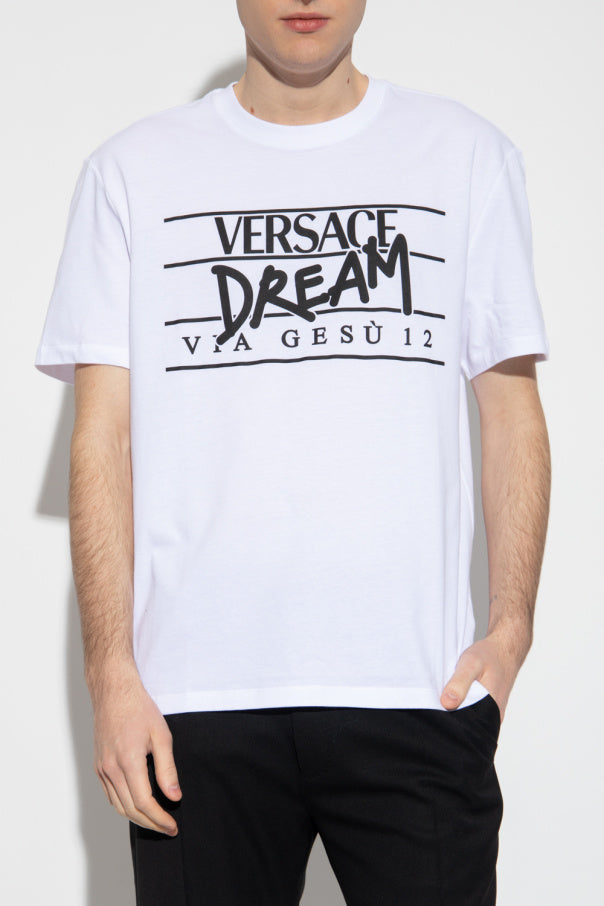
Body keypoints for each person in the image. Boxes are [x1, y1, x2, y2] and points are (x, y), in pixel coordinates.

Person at [34, 1, 551, 903]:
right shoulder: (132, 172)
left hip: (415, 695)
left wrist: (510, 636)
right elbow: (101, 438)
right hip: (192, 710)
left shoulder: (467, 156)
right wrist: (110, 674)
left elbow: (511, 412)